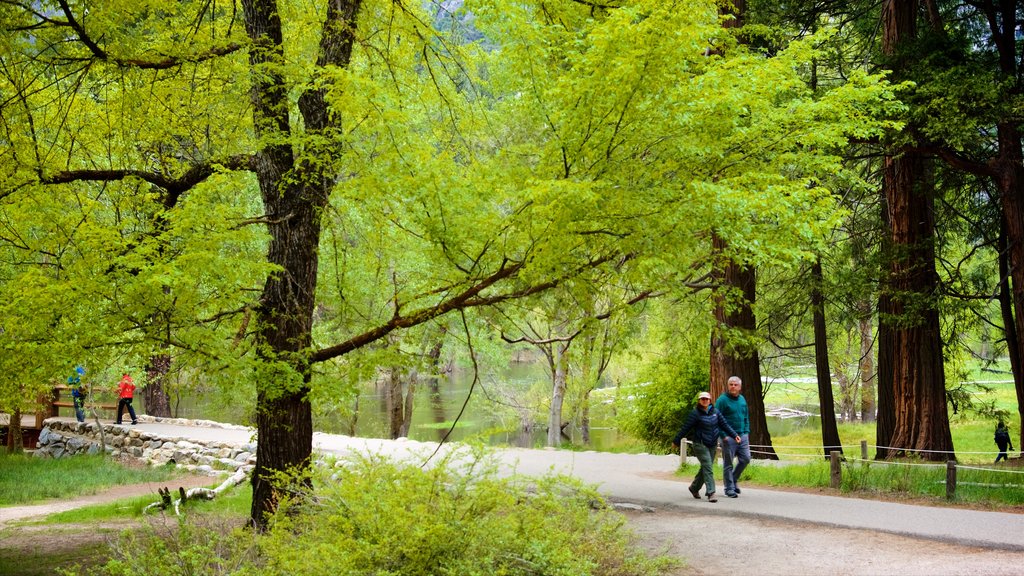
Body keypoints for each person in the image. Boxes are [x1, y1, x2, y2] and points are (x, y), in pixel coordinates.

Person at [672, 391, 740, 503]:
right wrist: (676, 441)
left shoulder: (716, 412)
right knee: (708, 466)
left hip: (712, 444)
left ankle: (694, 488)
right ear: (699, 401)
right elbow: (685, 428)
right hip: (700, 444)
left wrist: (734, 435)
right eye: (702, 399)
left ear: (710, 400)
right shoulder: (695, 414)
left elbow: (725, 425)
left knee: (705, 467)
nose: (705, 401)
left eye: (706, 399)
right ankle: (711, 493)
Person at [716, 375, 751, 498]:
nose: (733, 386)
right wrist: (723, 435)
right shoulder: (722, 400)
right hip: (728, 437)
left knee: (746, 459)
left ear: (740, 387)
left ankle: (734, 479)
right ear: (728, 386)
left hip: (742, 435)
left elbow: (746, 416)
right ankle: (729, 488)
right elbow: (716, 419)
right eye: (731, 384)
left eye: (735, 384)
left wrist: (746, 431)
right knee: (728, 463)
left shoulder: (742, 399)